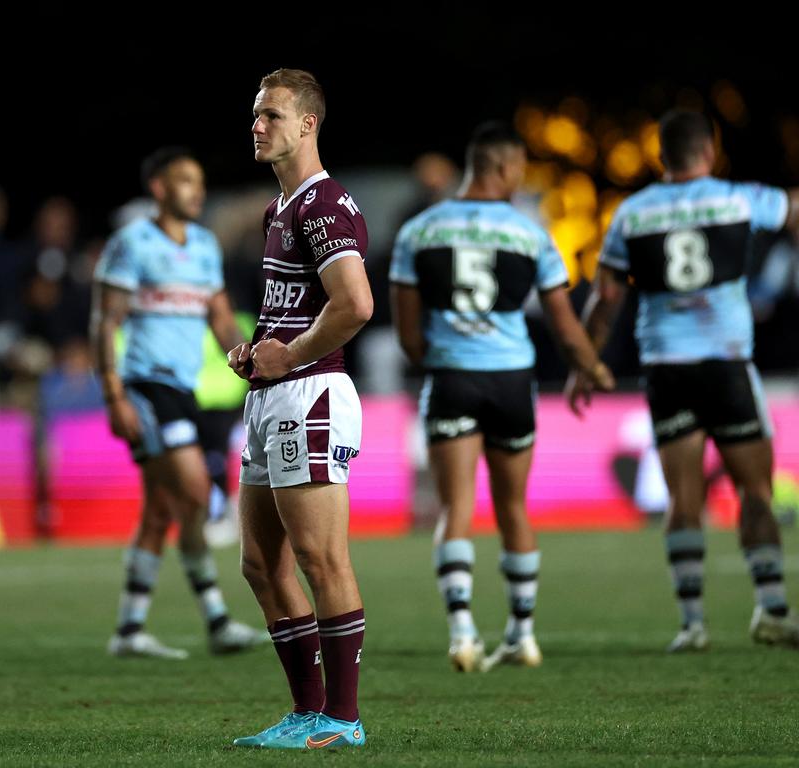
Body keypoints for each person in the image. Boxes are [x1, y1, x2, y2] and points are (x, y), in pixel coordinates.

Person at [567, 109, 799, 652]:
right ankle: (772, 610)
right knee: (757, 493)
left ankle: (692, 624)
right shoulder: (739, 198)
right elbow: (791, 208)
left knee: (683, 499)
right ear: (709, 151)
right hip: (727, 362)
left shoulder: (633, 213)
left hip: (668, 366)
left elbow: (606, 297)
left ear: (661, 156)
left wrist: (584, 362)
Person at [390, 121, 614, 673]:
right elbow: (563, 326)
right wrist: (592, 369)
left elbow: (407, 334)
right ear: (505, 167)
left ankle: (463, 631)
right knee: (513, 506)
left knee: (456, 507)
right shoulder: (530, 232)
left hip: (452, 378)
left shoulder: (419, 231)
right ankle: (521, 633)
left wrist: (436, 357)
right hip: (512, 381)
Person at [227, 68, 372, 750]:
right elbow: (295, 306)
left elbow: (355, 305)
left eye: (271, 115)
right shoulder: (278, 209)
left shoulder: (325, 206)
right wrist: (256, 349)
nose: (257, 126)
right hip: (272, 394)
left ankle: (342, 721)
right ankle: (308, 713)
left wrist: (294, 355)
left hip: (311, 395)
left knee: (320, 558)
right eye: (256, 115)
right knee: (260, 563)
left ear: (309, 123)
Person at [90, 146, 266, 660]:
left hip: (184, 389)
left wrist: (248, 361)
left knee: (161, 509)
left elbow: (219, 319)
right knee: (195, 495)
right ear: (160, 189)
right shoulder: (132, 244)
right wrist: (113, 394)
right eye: (186, 181)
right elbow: (106, 322)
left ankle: (129, 630)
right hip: (145, 387)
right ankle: (215, 619)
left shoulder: (206, 247)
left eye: (200, 181)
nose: (198, 190)